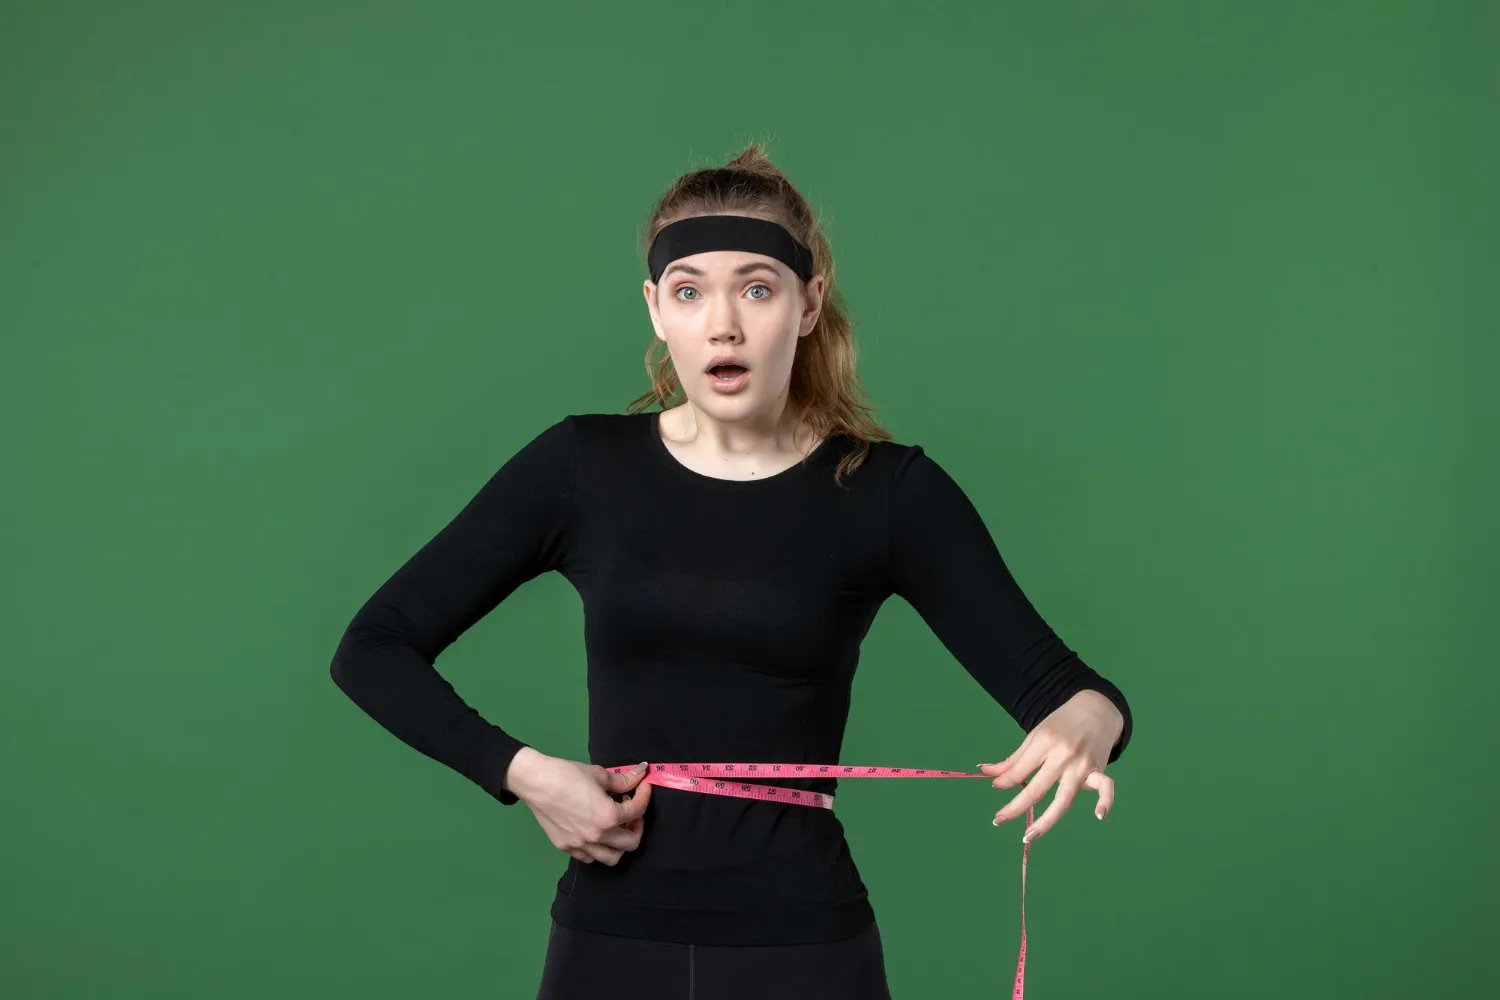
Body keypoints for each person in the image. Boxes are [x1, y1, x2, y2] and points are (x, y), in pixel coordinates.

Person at [329, 143, 1132, 1000]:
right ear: (654, 309)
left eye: (756, 289)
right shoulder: (580, 468)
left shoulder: (886, 492)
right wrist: (525, 774)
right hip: (608, 941)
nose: (723, 326)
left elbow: (1074, 693)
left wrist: (1085, 724)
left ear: (809, 303)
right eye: (688, 291)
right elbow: (372, 648)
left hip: (805, 947)